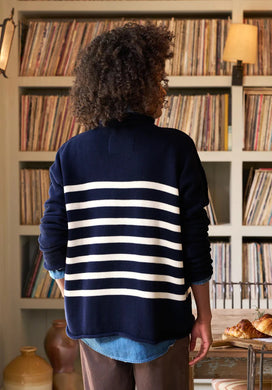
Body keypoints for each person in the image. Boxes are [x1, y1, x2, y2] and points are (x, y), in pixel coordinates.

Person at [39, 22, 213, 390]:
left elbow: (51, 241)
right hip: (160, 320)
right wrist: (204, 316)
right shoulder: (176, 148)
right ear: (150, 84)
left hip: (94, 324)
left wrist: (80, 294)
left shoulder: (71, 153)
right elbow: (194, 239)